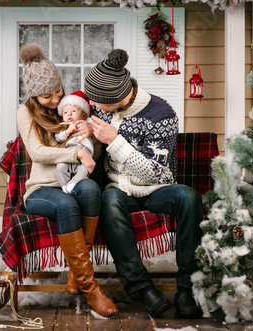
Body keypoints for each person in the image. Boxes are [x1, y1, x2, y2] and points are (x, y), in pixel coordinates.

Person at [84, 48, 203, 318]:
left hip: (156, 190)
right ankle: (143, 288)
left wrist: (114, 141)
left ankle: (187, 288)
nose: (94, 105)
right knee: (108, 199)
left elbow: (152, 172)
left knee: (189, 197)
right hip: (117, 191)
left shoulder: (161, 114)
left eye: (98, 101)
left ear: (115, 98)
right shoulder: (100, 111)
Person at [18, 43, 118, 318]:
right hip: (42, 190)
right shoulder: (25, 113)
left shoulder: (73, 107)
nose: (54, 100)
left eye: (57, 92)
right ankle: (90, 287)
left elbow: (92, 154)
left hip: (76, 179)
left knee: (90, 189)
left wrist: (91, 135)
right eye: (46, 96)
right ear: (33, 95)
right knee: (65, 204)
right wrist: (75, 152)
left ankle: (76, 273)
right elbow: (36, 152)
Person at [55, 90, 94, 194]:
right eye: (65, 112)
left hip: (85, 152)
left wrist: (91, 127)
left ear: (84, 115)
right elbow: (58, 137)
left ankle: (73, 183)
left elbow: (97, 127)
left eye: (73, 111)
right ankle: (64, 186)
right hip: (69, 153)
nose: (69, 115)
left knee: (83, 169)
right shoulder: (64, 125)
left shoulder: (88, 122)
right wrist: (67, 131)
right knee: (60, 167)